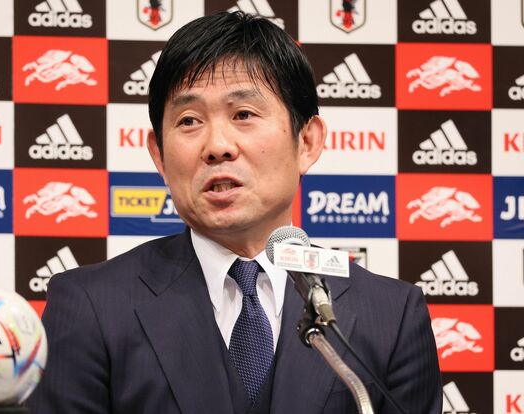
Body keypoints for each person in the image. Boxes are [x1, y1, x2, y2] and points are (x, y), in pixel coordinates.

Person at [26, 11, 442, 414]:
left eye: (243, 114)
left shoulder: (392, 315)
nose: (217, 146)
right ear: (159, 155)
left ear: (307, 142)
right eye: (189, 121)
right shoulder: (91, 306)